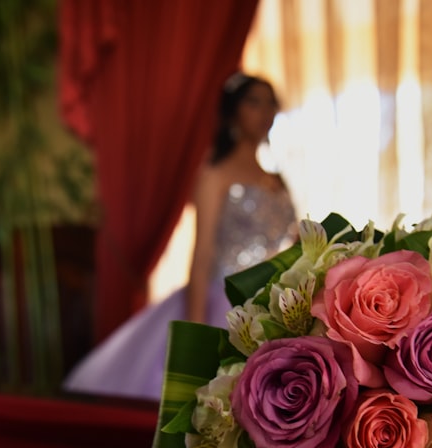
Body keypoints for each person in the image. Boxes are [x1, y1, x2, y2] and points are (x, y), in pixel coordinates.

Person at [62, 73, 297, 400]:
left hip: (270, 306)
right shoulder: (214, 174)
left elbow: (297, 247)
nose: (265, 111)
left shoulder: (277, 182)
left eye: (271, 103)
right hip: (222, 301)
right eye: (254, 102)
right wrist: (197, 331)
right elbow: (201, 256)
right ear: (232, 113)